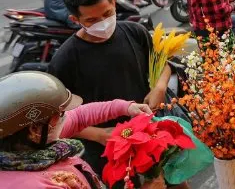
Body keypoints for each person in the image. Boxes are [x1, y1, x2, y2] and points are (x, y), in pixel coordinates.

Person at [47, 0, 174, 178]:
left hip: (149, 132)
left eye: (107, 13)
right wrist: (99, 134)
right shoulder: (65, 60)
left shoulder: (135, 32)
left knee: (172, 180)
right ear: (75, 19)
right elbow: (57, 119)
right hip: (107, 149)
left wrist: (159, 88)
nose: (103, 23)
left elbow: (164, 65)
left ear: (114, 3)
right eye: (92, 20)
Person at [0, 71, 155, 188]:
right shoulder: (32, 184)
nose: (65, 117)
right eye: (60, 114)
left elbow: (80, 116)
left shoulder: (26, 142)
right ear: (34, 129)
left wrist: (126, 107)